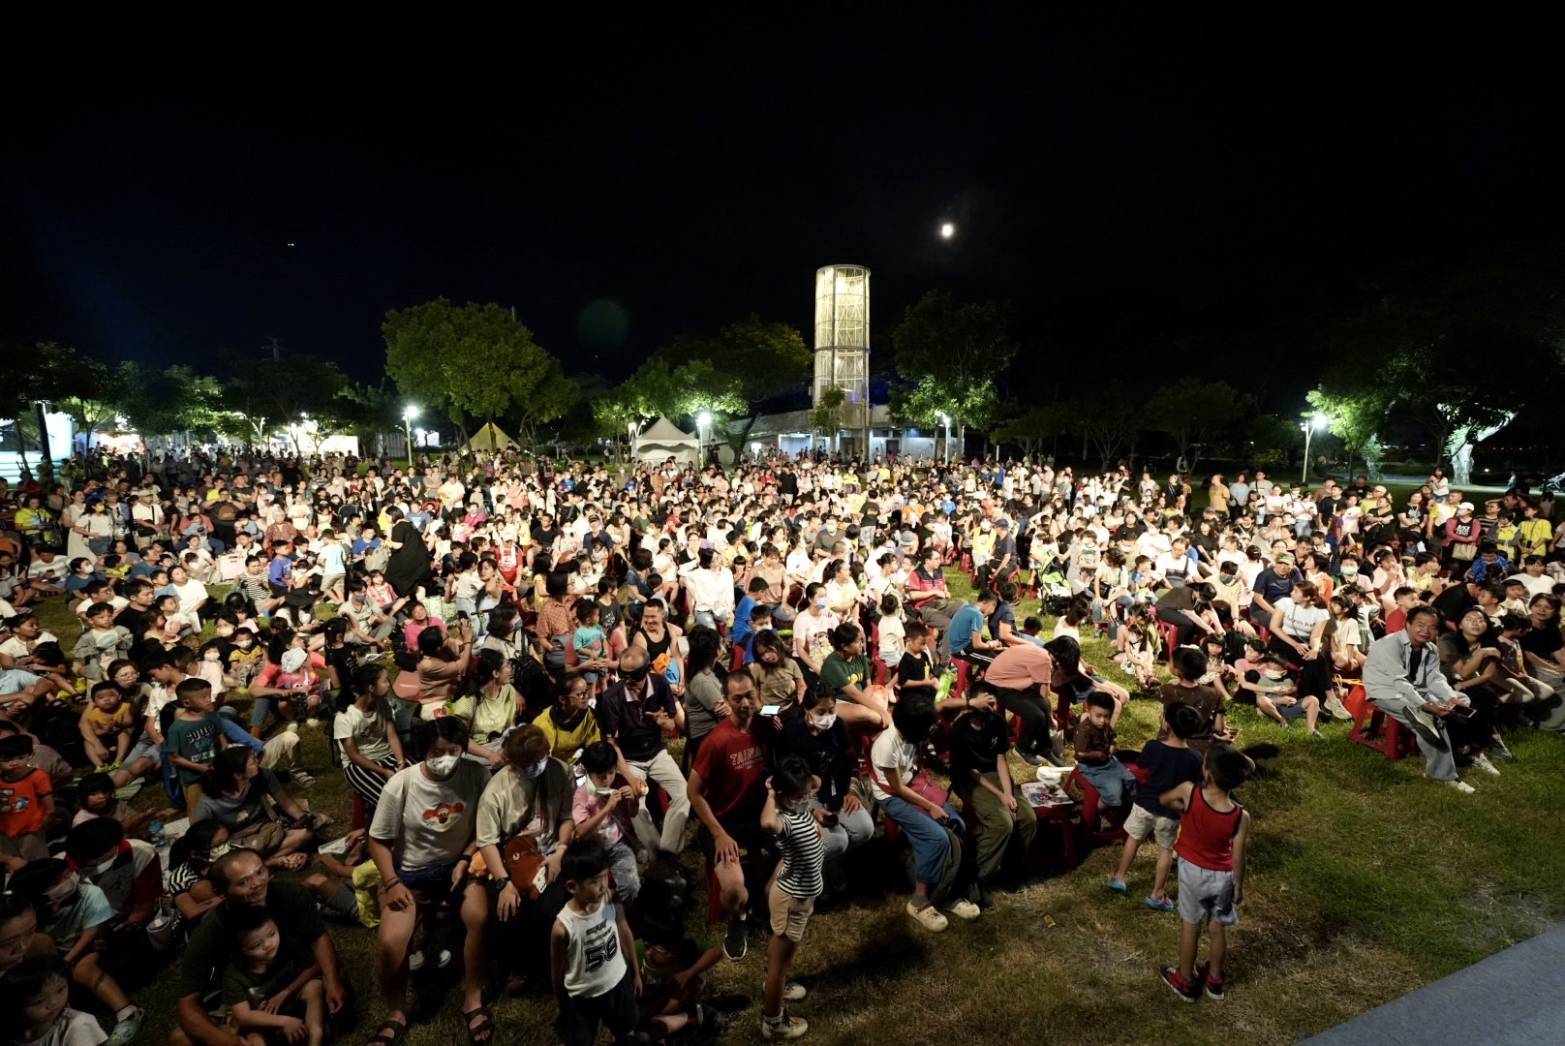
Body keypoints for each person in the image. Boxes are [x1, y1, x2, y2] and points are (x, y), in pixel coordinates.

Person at [366, 717, 493, 1045]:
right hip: (410, 874)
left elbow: (485, 828)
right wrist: (392, 882)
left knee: (477, 917)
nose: (446, 757)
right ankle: (396, 1010)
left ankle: (473, 997)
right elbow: (377, 840)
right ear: (423, 751)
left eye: (453, 750)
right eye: (437, 751)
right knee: (392, 941)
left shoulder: (477, 775)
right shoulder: (401, 784)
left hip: (457, 869)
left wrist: (466, 858)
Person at [175, 848, 348, 1046]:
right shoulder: (210, 931)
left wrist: (333, 982)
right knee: (181, 1039)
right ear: (220, 893)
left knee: (333, 979)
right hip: (247, 999)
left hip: (295, 980)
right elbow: (187, 1005)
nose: (257, 884)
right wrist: (228, 1042)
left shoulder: (290, 894)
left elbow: (319, 939)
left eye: (260, 872)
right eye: (243, 882)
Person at [473, 724, 577, 992]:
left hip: (550, 853)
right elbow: (487, 841)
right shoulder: (497, 791)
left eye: (540, 759)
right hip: (513, 859)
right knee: (508, 912)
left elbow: (566, 817)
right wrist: (503, 882)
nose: (536, 766)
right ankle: (511, 967)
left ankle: (548, 967)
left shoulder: (560, 772)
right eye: (527, 763)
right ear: (513, 763)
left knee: (550, 908)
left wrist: (561, 850)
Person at [869, 699, 979, 932]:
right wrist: (930, 806)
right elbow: (897, 788)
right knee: (935, 837)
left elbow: (939, 707)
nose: (929, 733)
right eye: (925, 730)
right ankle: (919, 899)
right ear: (911, 729)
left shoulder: (913, 723)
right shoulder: (886, 746)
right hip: (892, 795)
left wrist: (970, 702)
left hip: (915, 782)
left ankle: (948, 892)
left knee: (956, 823)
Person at [6, 859, 144, 1045]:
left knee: (83, 969)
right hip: (62, 953)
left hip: (95, 944)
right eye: (57, 881)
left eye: (66, 875)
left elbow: (92, 934)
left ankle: (128, 1012)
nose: (69, 880)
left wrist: (65, 961)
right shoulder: (33, 912)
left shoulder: (89, 895)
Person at [1157, 745, 1255, 1003]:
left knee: (1191, 926)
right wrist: (1239, 886)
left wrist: (1183, 809)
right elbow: (1238, 856)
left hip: (1191, 871)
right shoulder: (1240, 816)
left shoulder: (1189, 792)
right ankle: (1214, 980)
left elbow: (1164, 800)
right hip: (1222, 877)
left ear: (1207, 773)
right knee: (1217, 927)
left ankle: (1185, 980)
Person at [686, 670, 769, 962]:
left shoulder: (765, 726)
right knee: (735, 892)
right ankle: (738, 920)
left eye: (749, 695)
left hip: (760, 818)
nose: (745, 703)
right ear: (726, 701)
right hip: (724, 824)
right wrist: (719, 833)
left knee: (805, 848)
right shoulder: (716, 741)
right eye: (738, 698)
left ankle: (772, 904)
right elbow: (693, 793)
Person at [1364, 606, 1481, 793]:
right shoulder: (1389, 645)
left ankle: (1466, 752)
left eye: (1432, 627)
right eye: (1420, 625)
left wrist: (1450, 697)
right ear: (1407, 624)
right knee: (1427, 718)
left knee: (1461, 700)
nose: (1426, 631)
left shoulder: (1431, 648)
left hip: (1416, 688)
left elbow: (1434, 678)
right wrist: (1427, 705)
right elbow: (1400, 682)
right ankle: (1443, 775)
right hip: (1386, 691)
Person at [947, 681, 1036, 907]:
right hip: (970, 779)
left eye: (993, 704)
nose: (991, 709)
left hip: (994, 776)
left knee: (1027, 818)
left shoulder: (996, 723)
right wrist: (1000, 796)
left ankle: (1010, 870)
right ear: (975, 704)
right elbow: (971, 772)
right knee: (1001, 822)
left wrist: (1009, 794)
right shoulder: (960, 729)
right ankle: (978, 878)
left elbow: (1001, 760)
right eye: (986, 704)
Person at [1108, 703, 1204, 911]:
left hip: (1144, 804)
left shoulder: (1153, 746)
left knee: (1134, 840)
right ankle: (1157, 894)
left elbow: (1141, 764)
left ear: (1166, 723)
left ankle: (1119, 877)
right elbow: (1197, 784)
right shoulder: (1195, 758)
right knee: (1166, 851)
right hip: (1170, 812)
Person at [596, 646, 689, 858]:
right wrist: (630, 779)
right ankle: (657, 855)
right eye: (623, 674)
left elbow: (671, 726)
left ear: (647, 669)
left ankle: (667, 851)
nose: (628, 680)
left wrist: (664, 722)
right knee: (635, 804)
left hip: (657, 752)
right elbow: (613, 742)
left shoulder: (659, 683)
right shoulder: (612, 698)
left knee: (684, 793)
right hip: (629, 759)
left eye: (635, 675)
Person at [549, 840, 642, 1046]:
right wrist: (563, 1006)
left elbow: (625, 931)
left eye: (605, 876)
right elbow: (557, 972)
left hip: (618, 984)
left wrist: (635, 972)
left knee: (626, 1028)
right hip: (583, 997)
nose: (603, 885)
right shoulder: (563, 927)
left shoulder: (611, 900)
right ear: (573, 886)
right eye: (594, 881)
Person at [774, 688, 874, 875]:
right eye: (821, 712)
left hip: (836, 790)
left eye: (831, 711)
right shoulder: (791, 732)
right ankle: (810, 870)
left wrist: (852, 791)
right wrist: (809, 809)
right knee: (837, 840)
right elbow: (784, 778)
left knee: (864, 830)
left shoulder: (838, 726)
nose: (828, 717)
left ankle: (830, 862)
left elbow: (850, 759)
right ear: (807, 709)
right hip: (804, 797)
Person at [758, 754, 822, 1041]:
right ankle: (773, 1020)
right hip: (792, 901)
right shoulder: (784, 818)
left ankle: (774, 983)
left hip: (798, 896)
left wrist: (802, 781)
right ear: (784, 795)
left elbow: (816, 782)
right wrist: (771, 793)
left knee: (778, 953)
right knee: (780, 967)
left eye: (805, 793)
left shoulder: (798, 806)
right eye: (798, 795)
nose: (805, 797)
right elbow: (767, 823)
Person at [194, 748, 315, 871]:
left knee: (305, 833)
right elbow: (200, 840)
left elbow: (285, 802)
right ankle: (269, 862)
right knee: (226, 865)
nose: (257, 761)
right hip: (238, 846)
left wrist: (303, 819)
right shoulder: (208, 803)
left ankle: (263, 863)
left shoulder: (263, 776)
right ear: (238, 775)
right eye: (252, 761)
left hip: (268, 832)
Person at [221, 908, 326, 1046]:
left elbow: (315, 966)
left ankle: (315, 1037)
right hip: (260, 1016)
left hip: (290, 1000)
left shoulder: (287, 944)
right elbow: (243, 1016)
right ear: (240, 951)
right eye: (256, 945)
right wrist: (285, 1022)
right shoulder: (234, 974)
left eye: (272, 934)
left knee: (314, 987)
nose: (268, 944)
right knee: (254, 1037)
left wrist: (285, 993)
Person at [572, 741, 641, 903]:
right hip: (593, 849)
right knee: (592, 892)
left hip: (618, 844)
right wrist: (606, 809)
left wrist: (633, 801)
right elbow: (580, 831)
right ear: (589, 773)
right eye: (600, 776)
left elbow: (632, 813)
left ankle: (620, 910)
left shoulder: (618, 783)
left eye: (611, 772)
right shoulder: (581, 794)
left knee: (631, 885)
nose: (607, 779)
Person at [332, 663, 405, 815]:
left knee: (418, 782)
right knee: (391, 800)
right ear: (371, 688)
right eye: (385, 681)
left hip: (386, 755)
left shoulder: (382, 704)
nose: (389, 684)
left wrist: (401, 761)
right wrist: (383, 771)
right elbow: (354, 756)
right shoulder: (345, 717)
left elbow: (391, 735)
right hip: (359, 765)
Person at [0, 955, 109, 1046]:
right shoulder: (12, 1033)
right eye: (39, 1001)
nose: (53, 1003)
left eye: (60, 990)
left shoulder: (78, 1025)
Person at [981, 640, 1059, 766]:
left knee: (1043, 707)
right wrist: (1050, 719)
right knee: (1036, 716)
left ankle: (1044, 748)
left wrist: (1048, 714)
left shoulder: (1042, 653)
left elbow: (1042, 696)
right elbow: (1044, 693)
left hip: (1014, 682)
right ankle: (1021, 748)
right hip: (997, 685)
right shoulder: (1045, 660)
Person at [817, 623, 891, 729]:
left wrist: (874, 700)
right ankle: (891, 726)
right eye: (857, 642)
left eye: (862, 640)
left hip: (857, 699)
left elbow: (869, 686)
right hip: (835, 703)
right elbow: (854, 694)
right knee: (864, 712)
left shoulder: (859, 657)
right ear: (844, 646)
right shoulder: (833, 665)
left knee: (880, 690)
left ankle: (881, 727)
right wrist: (882, 712)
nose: (862, 644)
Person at [1073, 690, 1138, 806]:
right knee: (1114, 791)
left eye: (1107, 716)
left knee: (1130, 780)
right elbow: (1081, 753)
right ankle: (1099, 811)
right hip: (1091, 767)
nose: (1102, 720)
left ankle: (1127, 805)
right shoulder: (1085, 730)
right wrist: (1097, 754)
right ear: (1088, 710)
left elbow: (1113, 737)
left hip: (1108, 762)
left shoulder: (1104, 726)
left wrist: (1113, 745)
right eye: (1098, 716)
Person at [0, 733, 54, 870]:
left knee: (37, 865)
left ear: (30, 755)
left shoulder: (37, 776)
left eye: (20, 757)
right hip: (5, 831)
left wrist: (47, 817)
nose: (14, 762)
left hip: (31, 830)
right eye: (8, 759)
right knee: (14, 865)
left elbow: (48, 802)